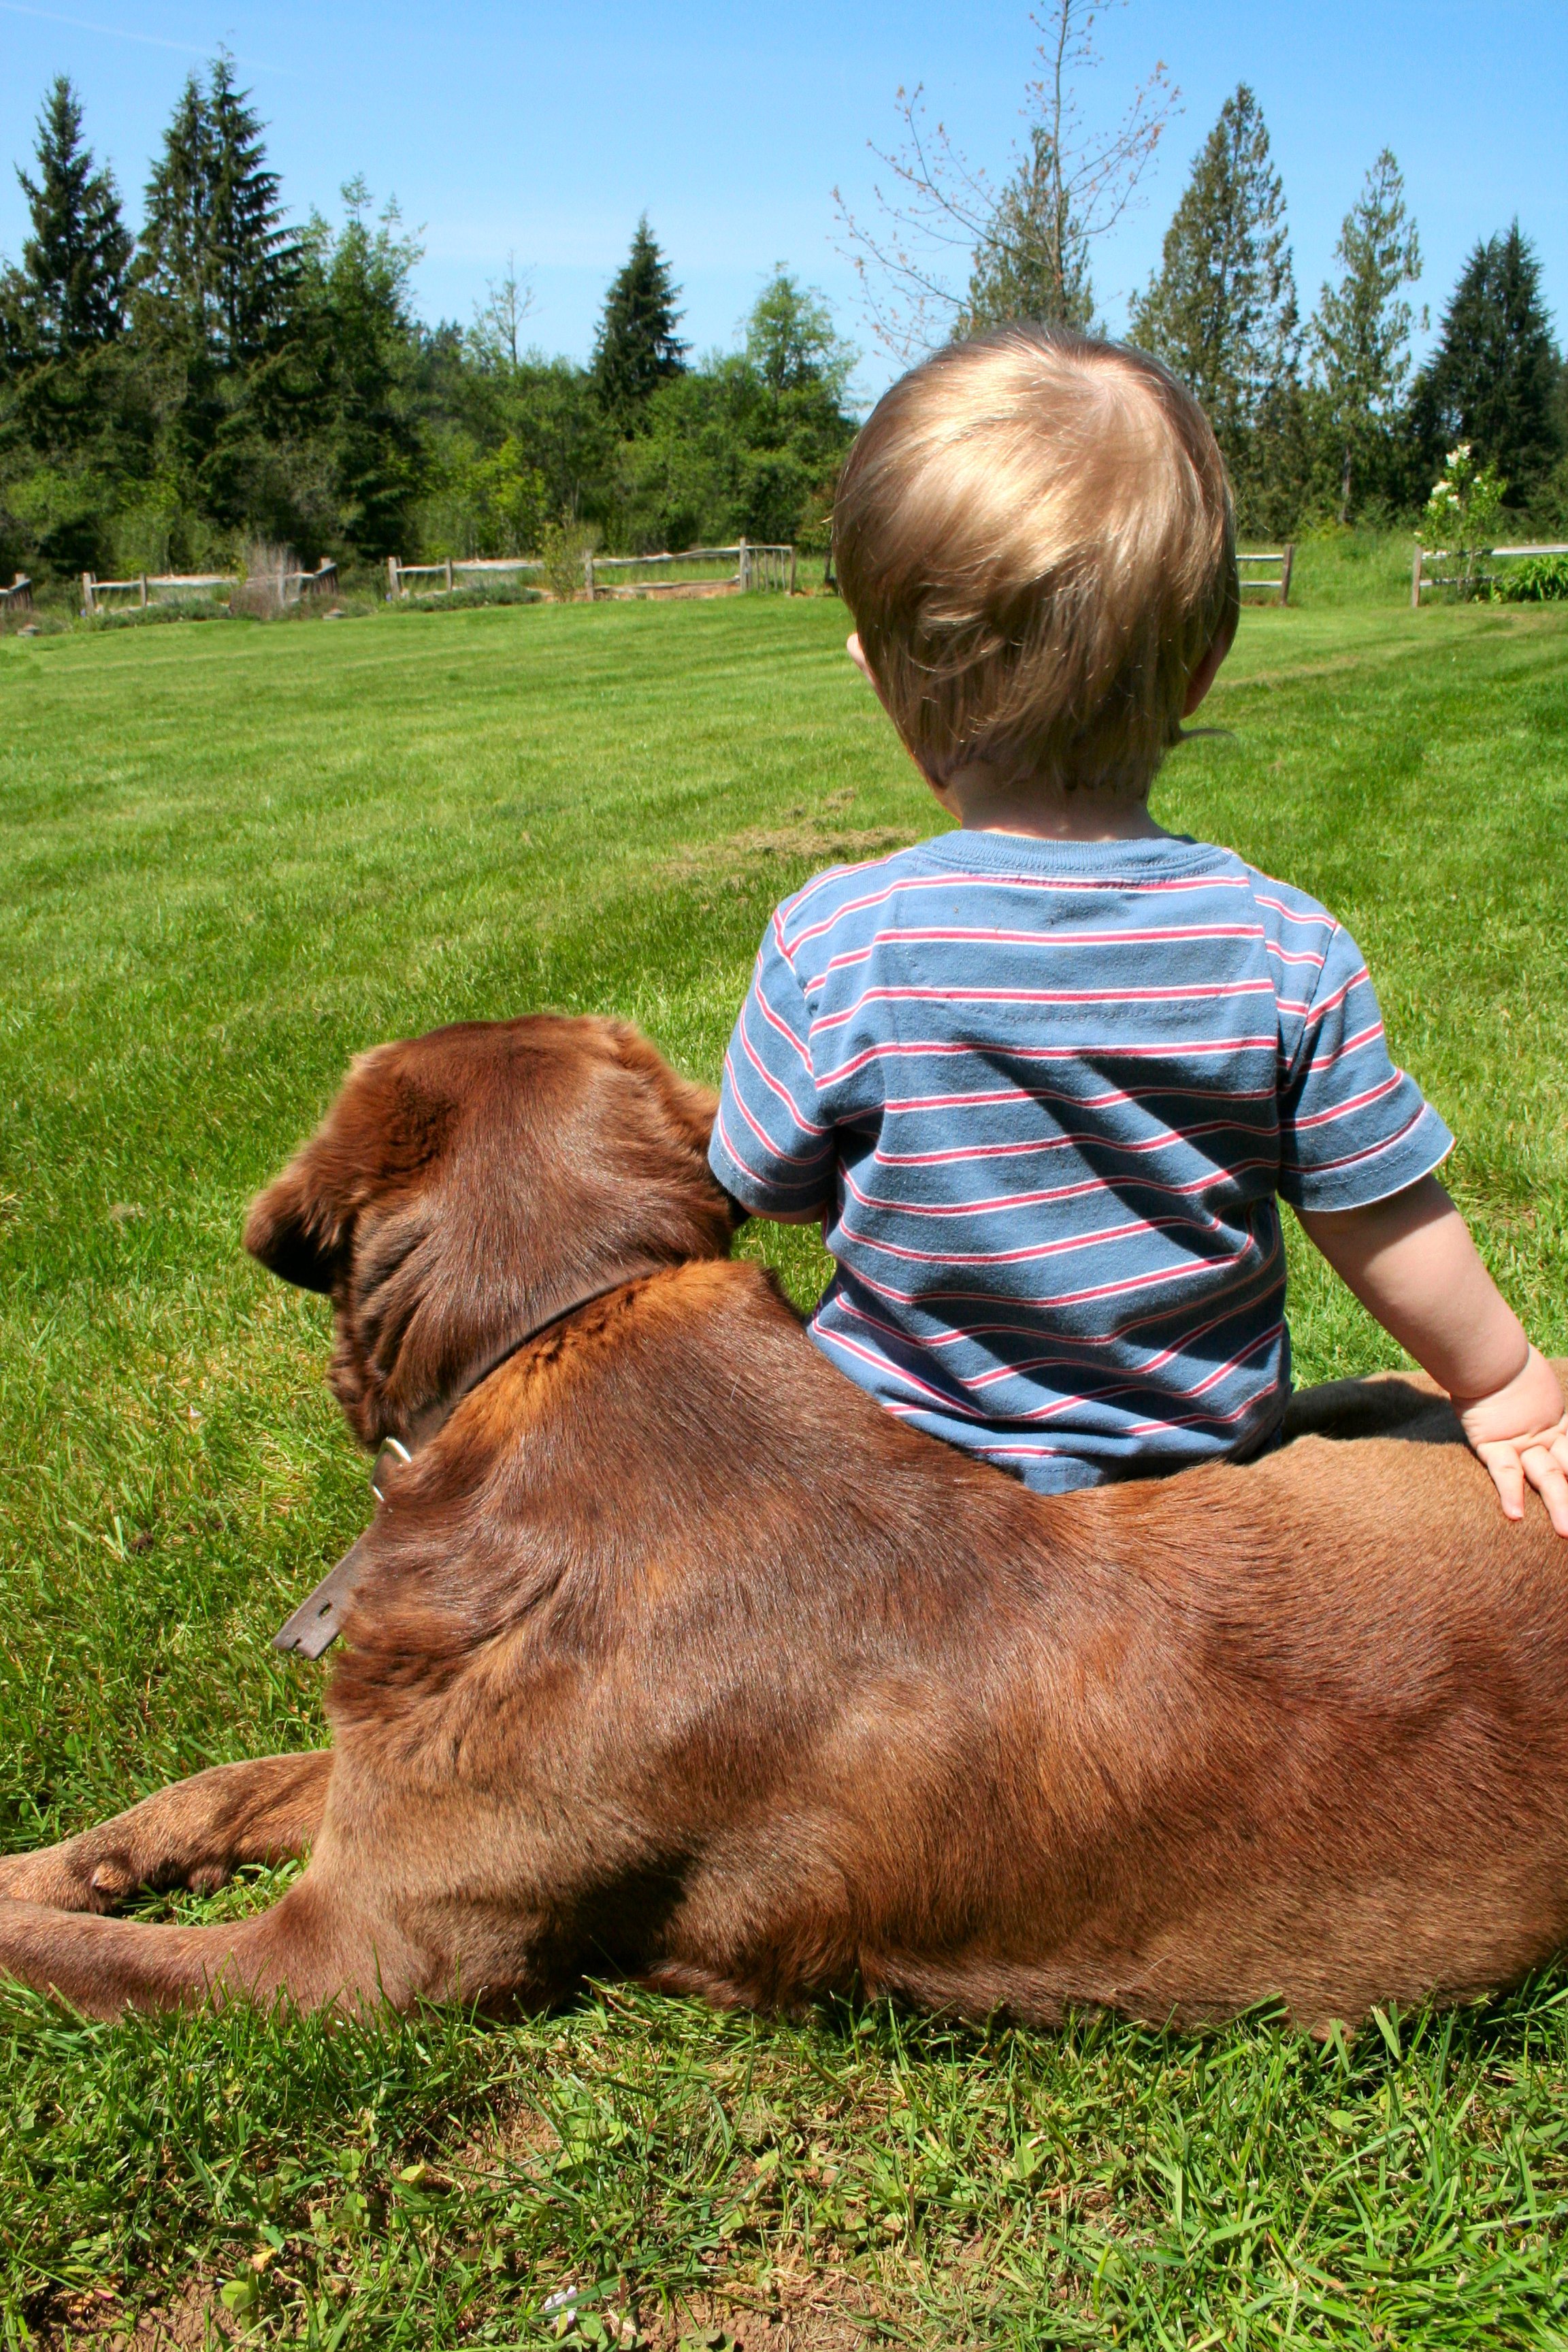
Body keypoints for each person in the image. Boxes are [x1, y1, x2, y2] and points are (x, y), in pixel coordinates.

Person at [709, 326, 1568, 1531]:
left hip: (897, 1505)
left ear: (883, 685)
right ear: (1206, 665)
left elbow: (763, 1180)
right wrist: (1508, 1385)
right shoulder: (1284, 951)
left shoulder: (836, 943)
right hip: (1192, 1508)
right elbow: (1378, 1211)